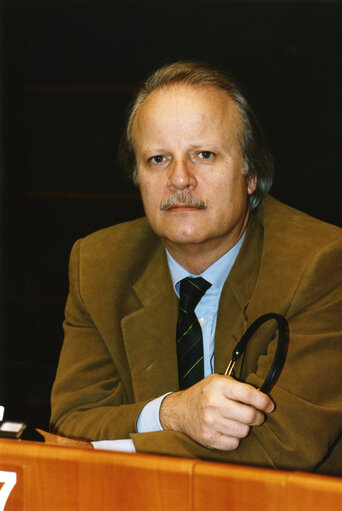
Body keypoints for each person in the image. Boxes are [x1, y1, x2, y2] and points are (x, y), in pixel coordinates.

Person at [50, 61, 342, 476]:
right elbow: (73, 422)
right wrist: (171, 412)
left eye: (204, 155)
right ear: (138, 177)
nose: (179, 179)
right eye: (157, 159)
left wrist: (131, 431)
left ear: (251, 174)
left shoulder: (321, 261)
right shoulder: (97, 264)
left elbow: (284, 442)